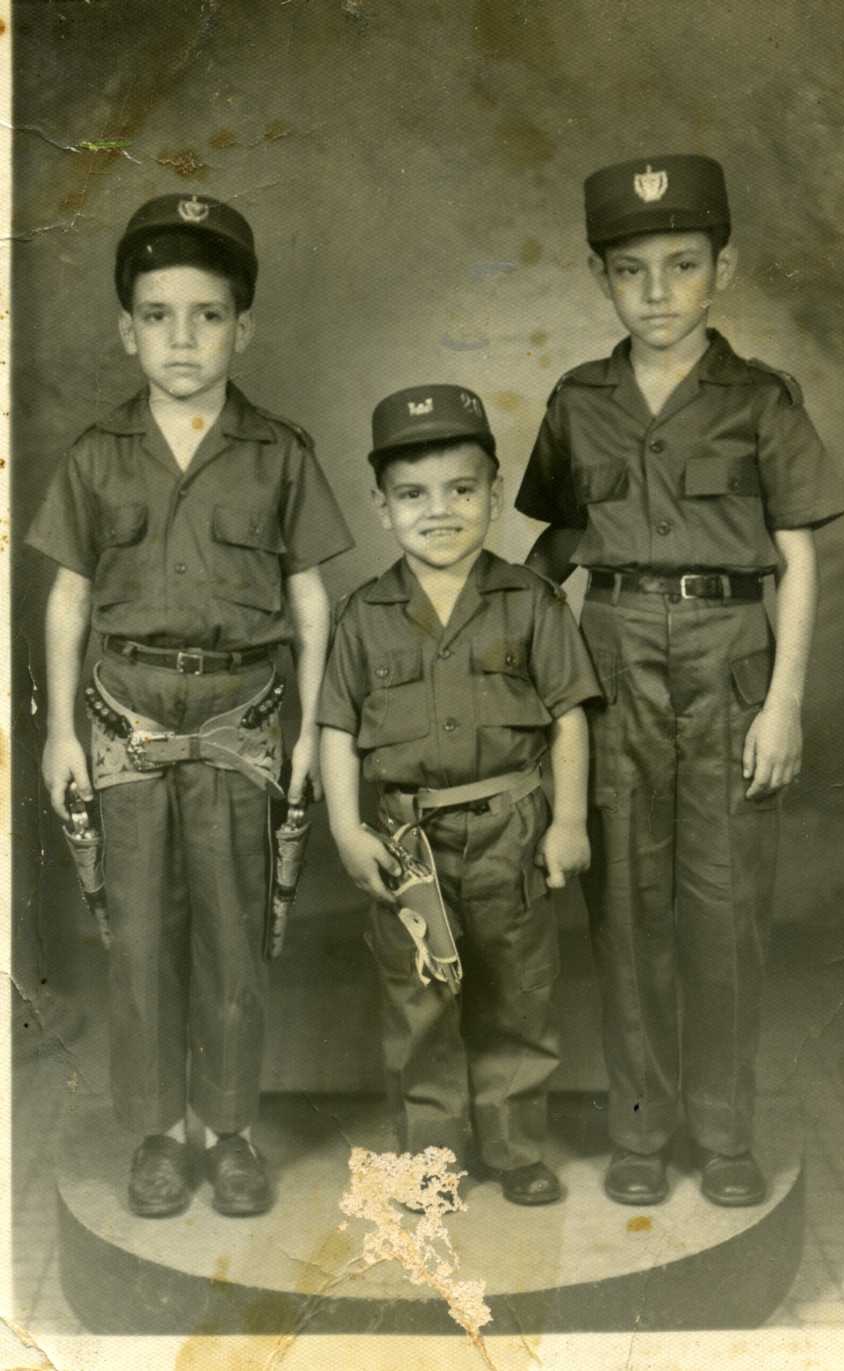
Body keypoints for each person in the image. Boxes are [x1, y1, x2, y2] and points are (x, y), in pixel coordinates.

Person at [515, 154, 844, 1207]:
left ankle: (725, 1132)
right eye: (630, 271)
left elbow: (796, 556)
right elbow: (554, 550)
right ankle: (641, 1132)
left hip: (728, 663)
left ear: (724, 268)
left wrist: (785, 700)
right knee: (626, 912)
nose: (657, 294)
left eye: (681, 265)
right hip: (611, 658)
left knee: (724, 912)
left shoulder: (758, 400)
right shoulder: (579, 401)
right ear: (598, 277)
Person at [26, 193, 353, 1217]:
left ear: (242, 328)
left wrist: (314, 732)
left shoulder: (280, 452)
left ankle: (231, 1129)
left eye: (207, 314)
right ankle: (160, 1134)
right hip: (123, 725)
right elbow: (69, 592)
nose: (182, 337)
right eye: (158, 314)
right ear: (127, 330)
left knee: (233, 933)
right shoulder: (94, 454)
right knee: (138, 940)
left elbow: (309, 597)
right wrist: (58, 733)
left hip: (240, 722)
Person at [318, 384, 601, 1205]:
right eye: (413, 494)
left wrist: (570, 821)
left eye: (462, 489)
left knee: (521, 990)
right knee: (419, 1005)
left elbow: (569, 717)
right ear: (381, 506)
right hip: (409, 844)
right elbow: (336, 728)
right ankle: (432, 1159)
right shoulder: (362, 615)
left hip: (512, 830)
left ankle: (515, 1149)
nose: (438, 511)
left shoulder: (531, 602)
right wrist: (345, 827)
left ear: (492, 488)